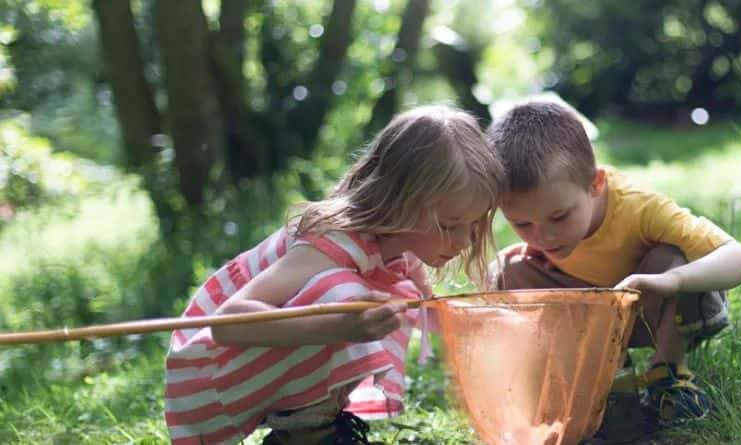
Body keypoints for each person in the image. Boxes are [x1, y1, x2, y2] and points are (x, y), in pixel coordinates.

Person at [164, 105, 506, 445]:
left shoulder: (388, 240)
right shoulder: (331, 244)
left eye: (474, 225)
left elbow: (416, 284)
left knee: (384, 296)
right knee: (344, 294)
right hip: (207, 380)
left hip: (240, 372)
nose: (463, 242)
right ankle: (306, 435)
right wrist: (340, 326)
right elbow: (226, 324)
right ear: (400, 201)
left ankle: (318, 425)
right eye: (448, 225)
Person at [487, 100, 741, 436]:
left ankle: (668, 375)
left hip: (658, 309)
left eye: (559, 217)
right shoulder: (546, 231)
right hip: (596, 318)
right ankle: (605, 380)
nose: (543, 236)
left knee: (671, 254)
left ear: (595, 184)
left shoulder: (639, 207)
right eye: (522, 224)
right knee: (508, 269)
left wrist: (671, 281)